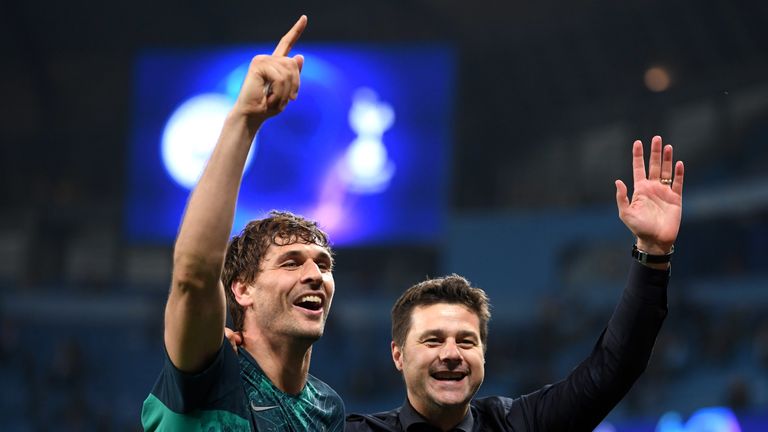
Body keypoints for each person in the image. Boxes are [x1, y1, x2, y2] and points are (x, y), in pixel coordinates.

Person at [345, 135, 685, 431]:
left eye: (466, 341)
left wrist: (653, 254)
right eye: (433, 340)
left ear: (483, 351)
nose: (452, 354)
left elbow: (614, 367)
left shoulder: (524, 424)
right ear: (398, 355)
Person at [141, 16, 345, 431]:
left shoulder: (328, 409)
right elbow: (195, 275)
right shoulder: (210, 375)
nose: (314, 275)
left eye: (323, 265)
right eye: (291, 262)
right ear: (242, 289)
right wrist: (245, 119)